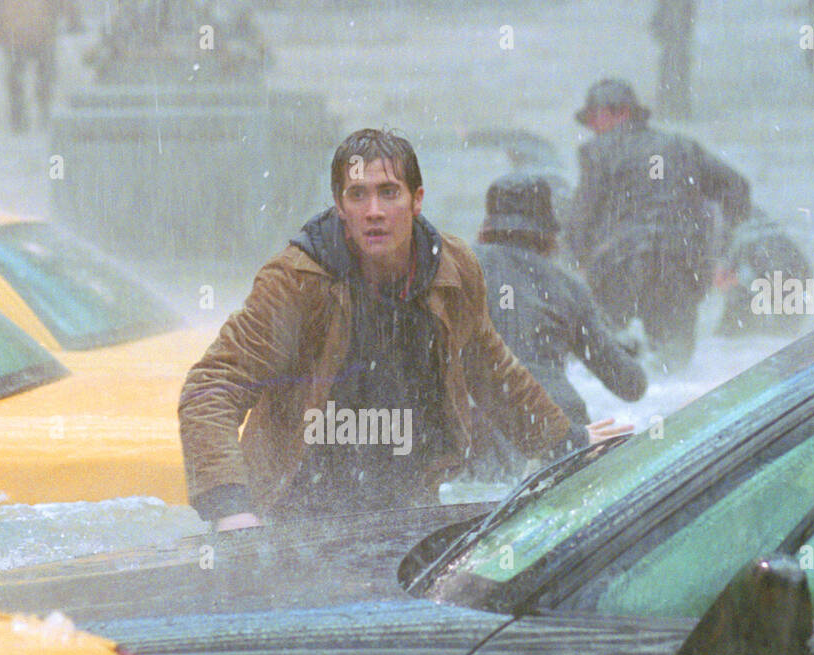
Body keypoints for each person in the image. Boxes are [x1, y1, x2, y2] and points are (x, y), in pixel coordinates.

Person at [179, 128, 631, 530]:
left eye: (389, 192)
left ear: (416, 200)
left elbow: (491, 369)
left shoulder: (454, 270)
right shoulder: (298, 282)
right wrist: (230, 507)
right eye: (358, 195)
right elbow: (212, 385)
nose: (374, 211)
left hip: (406, 506)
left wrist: (567, 441)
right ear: (339, 207)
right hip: (293, 511)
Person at [471, 173, 647, 479]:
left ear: (486, 227)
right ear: (550, 233)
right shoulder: (568, 286)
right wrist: (631, 349)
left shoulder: (462, 266)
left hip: (481, 427)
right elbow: (631, 385)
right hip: (562, 426)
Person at [564, 78, 750, 368]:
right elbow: (736, 187)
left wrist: (576, 261)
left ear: (620, 112)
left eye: (593, 117)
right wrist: (724, 251)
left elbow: (582, 215)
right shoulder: (682, 147)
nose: (590, 127)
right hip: (680, 262)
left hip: (618, 265)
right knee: (673, 364)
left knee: (604, 362)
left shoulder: (598, 151)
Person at [0, 0, 82, 134]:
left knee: (16, 75)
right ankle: (43, 112)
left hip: (15, 31)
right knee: (45, 73)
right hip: (43, 31)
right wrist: (73, 19)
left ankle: (19, 117)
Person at [713, 206, 813, 336]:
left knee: (739, 332)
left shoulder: (733, 240)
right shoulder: (746, 215)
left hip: (778, 271)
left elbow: (731, 277)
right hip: (796, 270)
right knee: (784, 334)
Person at [650, 0, 698, 120]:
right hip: (673, 48)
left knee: (675, 75)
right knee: (672, 76)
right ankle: (672, 108)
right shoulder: (670, 6)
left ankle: (675, 109)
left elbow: (657, 23)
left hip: (676, 48)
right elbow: (656, 23)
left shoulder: (681, 6)